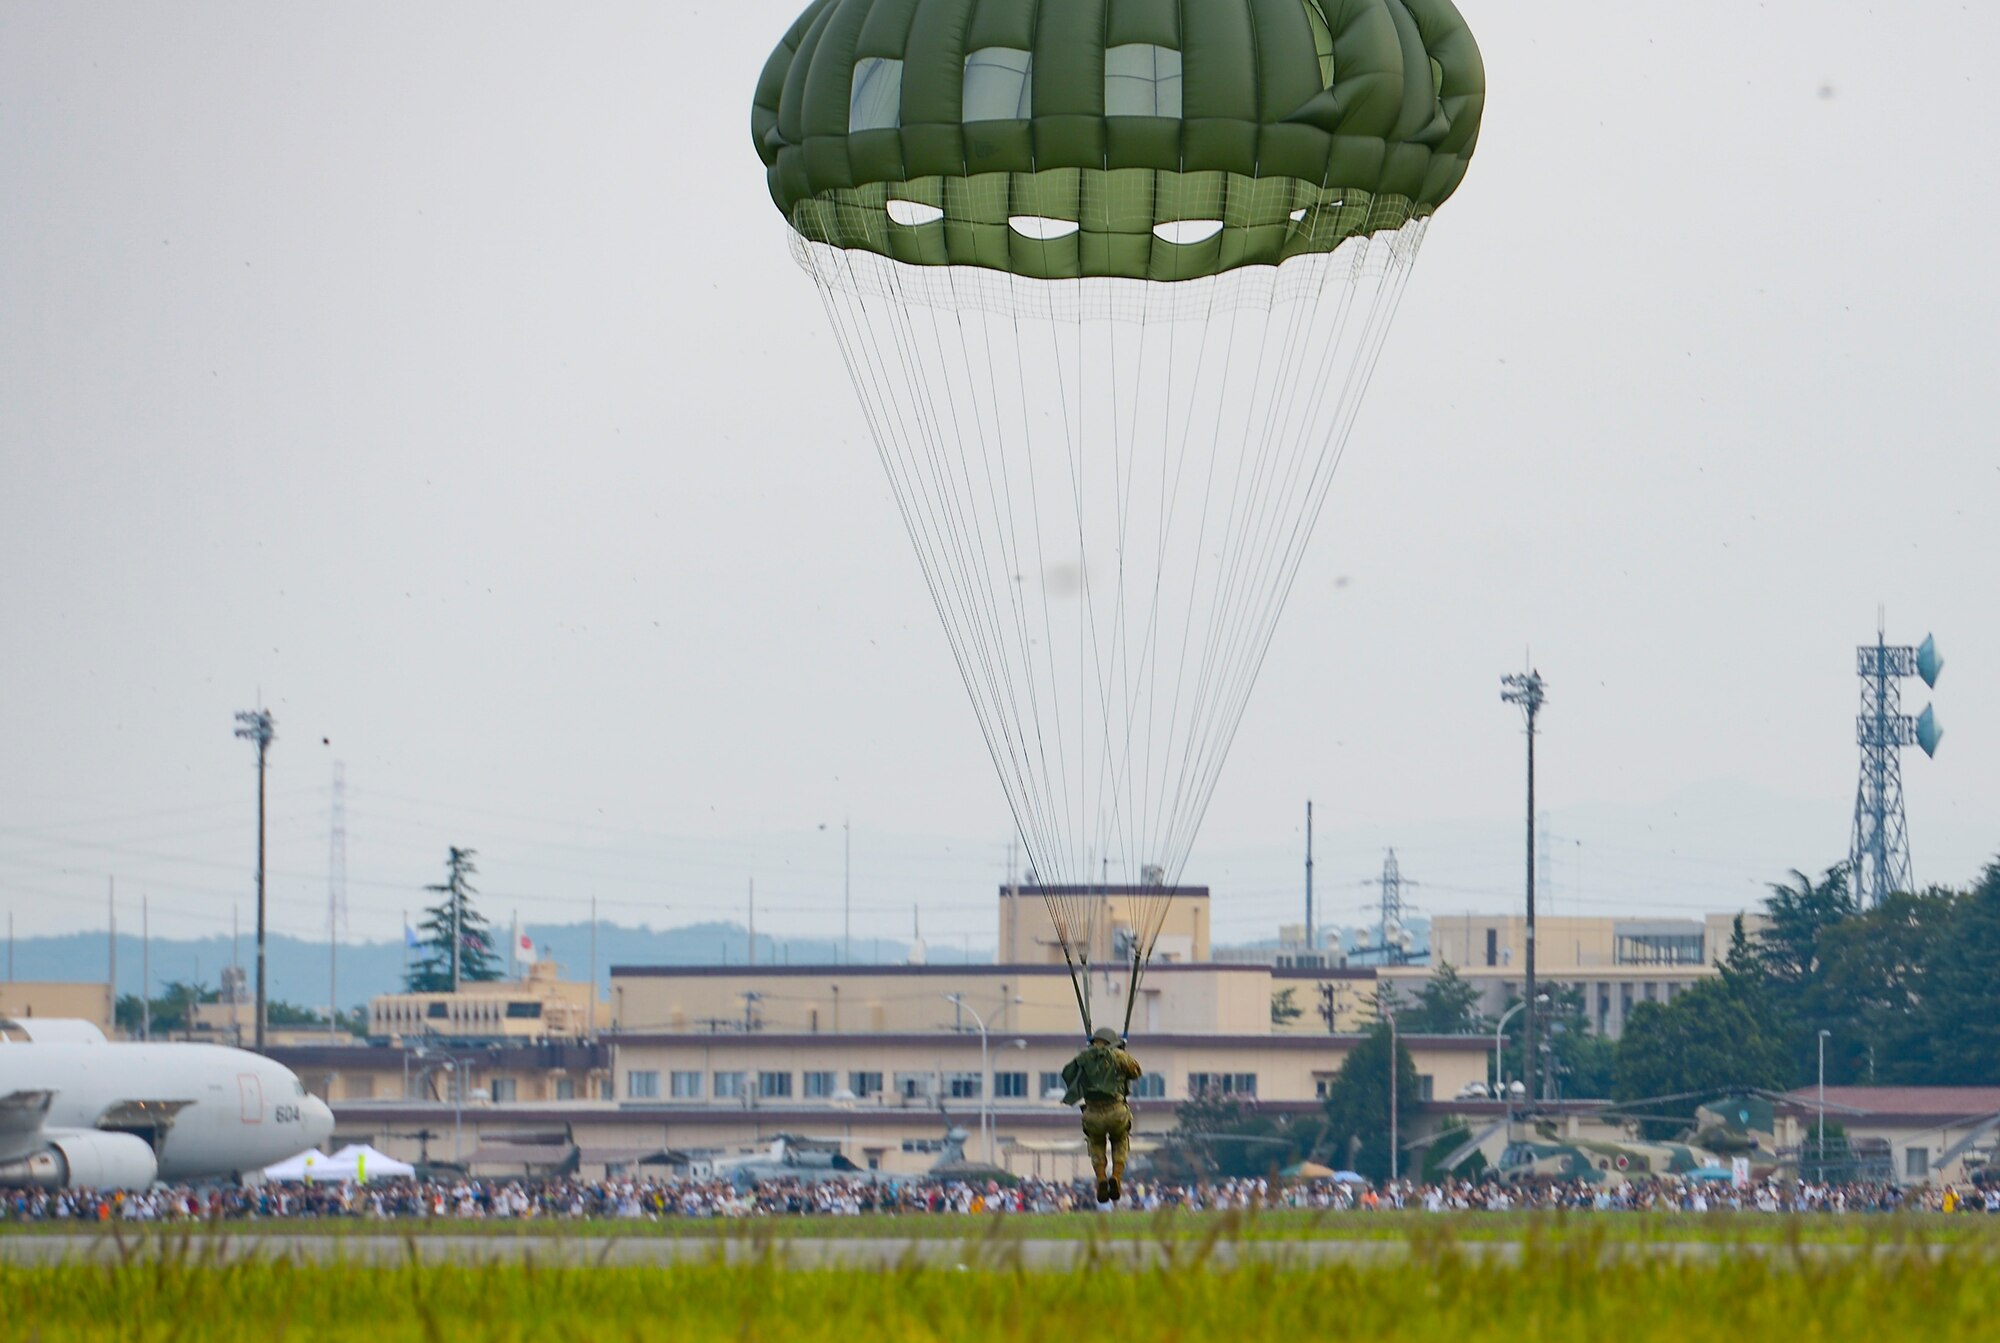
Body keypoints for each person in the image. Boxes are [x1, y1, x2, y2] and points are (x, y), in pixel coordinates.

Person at [1061, 1025, 1143, 1204]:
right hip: (1116, 1112)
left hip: (1092, 1114)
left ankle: (1100, 1179)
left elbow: (1068, 1075)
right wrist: (1122, 1053)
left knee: (1096, 1143)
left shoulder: (1084, 1057)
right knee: (1120, 1139)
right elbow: (1136, 1072)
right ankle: (1116, 1176)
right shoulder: (1118, 1055)